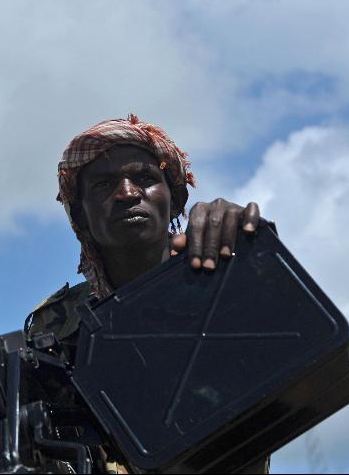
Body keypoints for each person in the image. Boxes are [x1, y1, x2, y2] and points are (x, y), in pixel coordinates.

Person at [25, 114, 270, 474]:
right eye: (104, 185)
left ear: (174, 202)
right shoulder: (56, 325)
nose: (126, 193)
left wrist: (252, 253)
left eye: (144, 178)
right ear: (81, 214)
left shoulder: (219, 283)